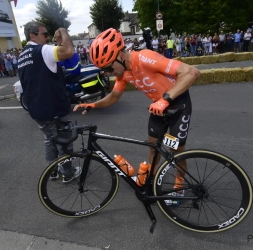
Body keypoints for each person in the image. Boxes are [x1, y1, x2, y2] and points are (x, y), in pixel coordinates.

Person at [73, 28, 200, 191]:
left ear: (119, 56)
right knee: (153, 149)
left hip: (178, 104)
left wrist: (165, 99)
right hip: (158, 108)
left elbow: (191, 72)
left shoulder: (145, 57)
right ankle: (151, 181)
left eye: (109, 68)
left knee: (176, 151)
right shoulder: (123, 72)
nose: (109, 74)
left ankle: (179, 185)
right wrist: (93, 105)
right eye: (104, 70)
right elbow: (113, 97)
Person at [17, 21, 81, 183]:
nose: (47, 38)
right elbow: (68, 51)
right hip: (54, 106)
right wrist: (63, 31)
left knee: (50, 138)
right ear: (32, 35)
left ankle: (52, 170)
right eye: (44, 34)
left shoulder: (22, 55)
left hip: (37, 109)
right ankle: (67, 172)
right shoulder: (43, 50)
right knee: (64, 139)